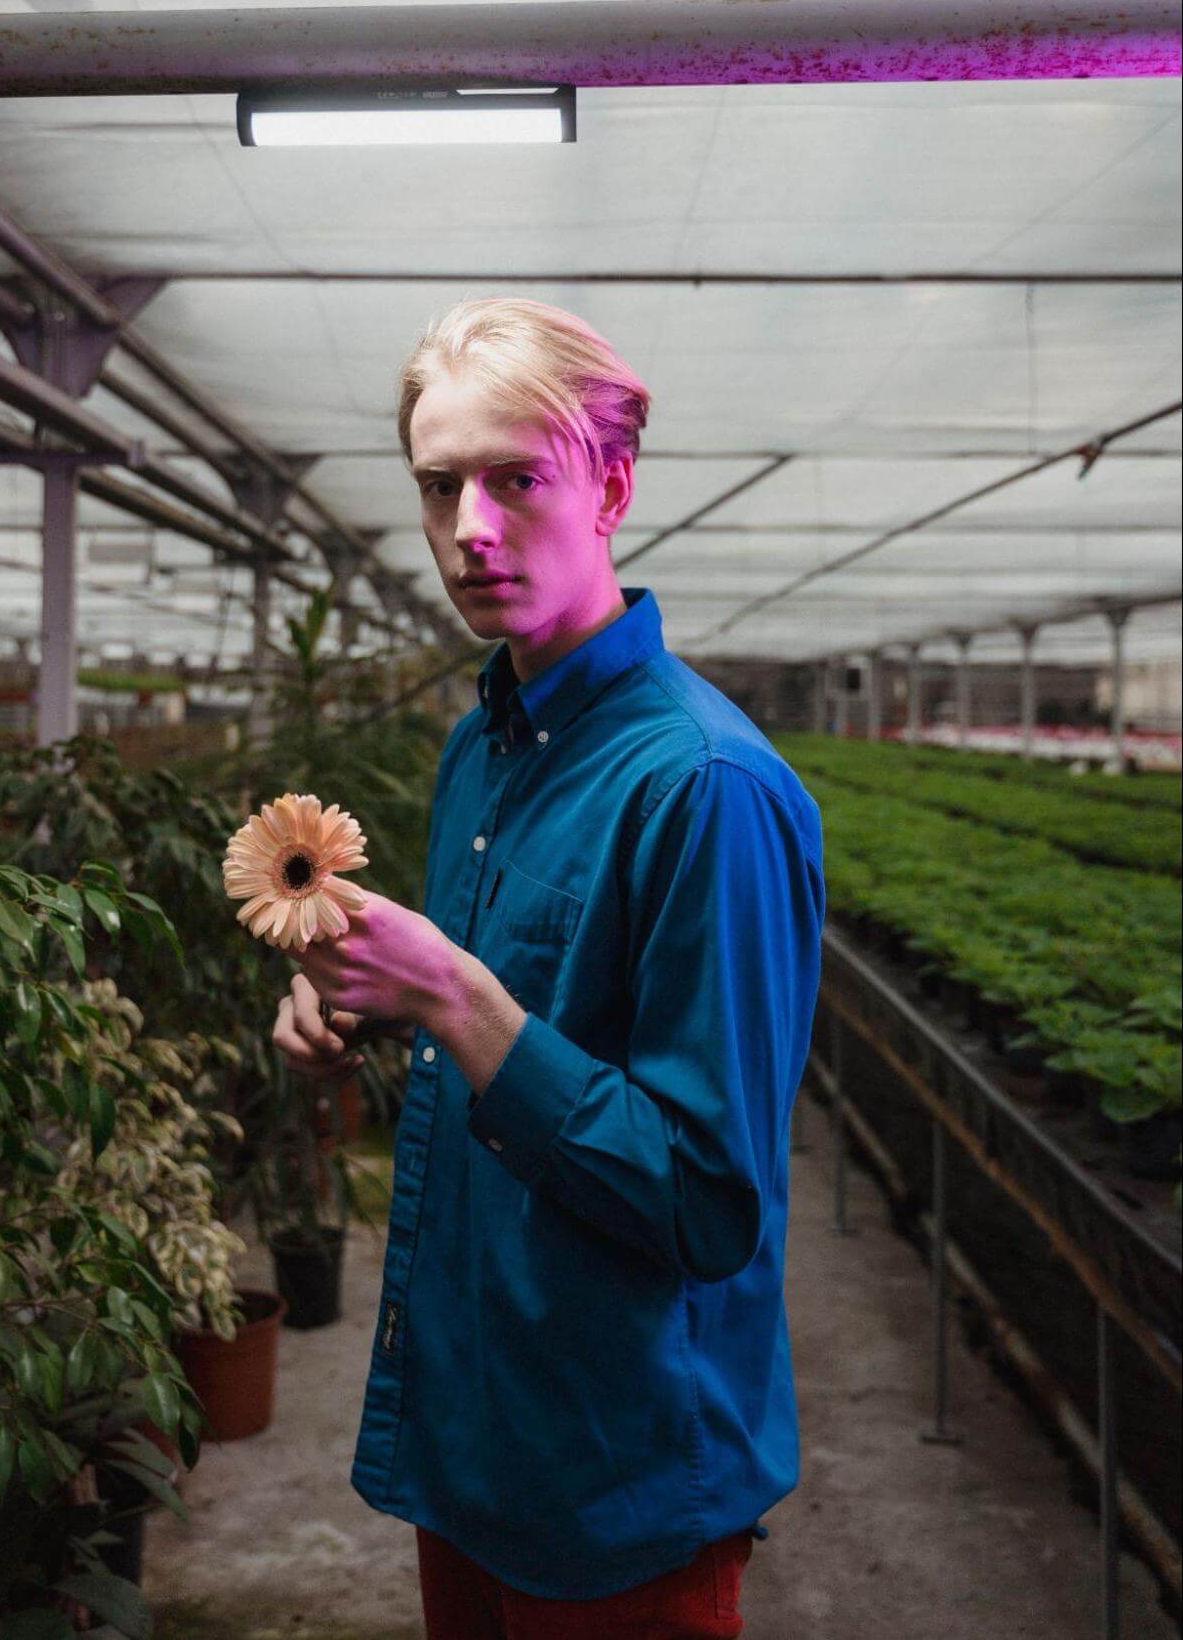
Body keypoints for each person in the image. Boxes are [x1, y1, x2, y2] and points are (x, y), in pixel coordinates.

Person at [272, 297, 825, 1638]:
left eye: (517, 478)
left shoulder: (703, 789)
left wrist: (458, 999)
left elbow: (706, 1201)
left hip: (613, 1467)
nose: (470, 528)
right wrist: (362, 1006)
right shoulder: (486, 747)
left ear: (611, 487)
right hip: (476, 1425)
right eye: (439, 484)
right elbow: (500, 1050)